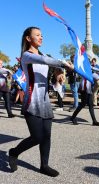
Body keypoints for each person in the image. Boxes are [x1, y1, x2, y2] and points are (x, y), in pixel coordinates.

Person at [8, 26, 73, 177]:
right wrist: (63, 63)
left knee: (47, 135)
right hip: (32, 101)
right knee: (37, 136)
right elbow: (44, 60)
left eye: (42, 35)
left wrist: (58, 80)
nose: (41, 37)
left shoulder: (44, 55)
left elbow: (48, 83)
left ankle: (44, 165)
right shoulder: (27, 55)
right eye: (37, 35)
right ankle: (14, 152)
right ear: (28, 38)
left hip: (44, 101)